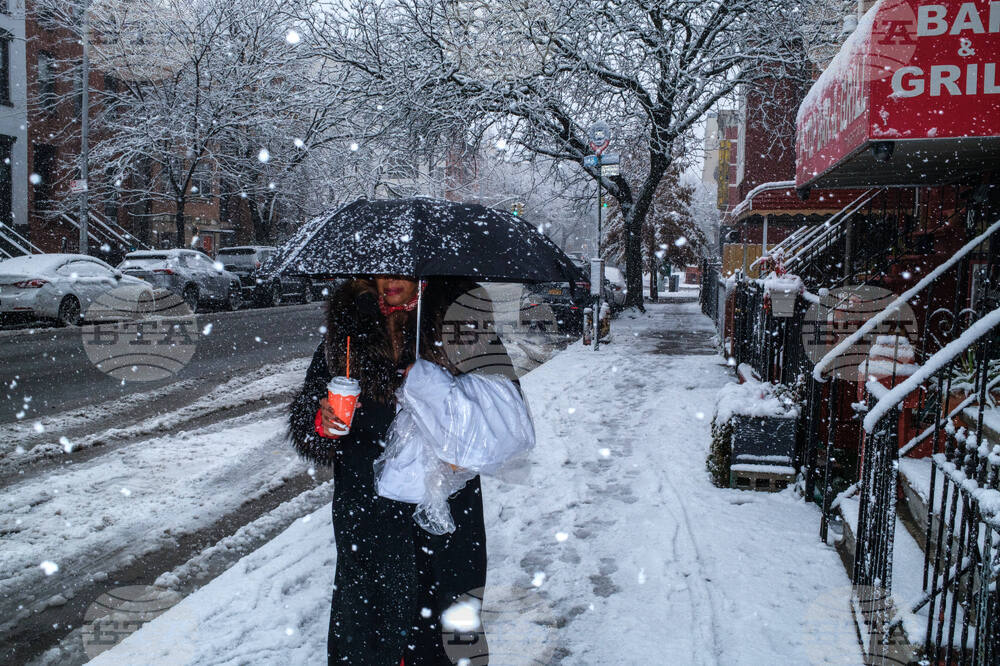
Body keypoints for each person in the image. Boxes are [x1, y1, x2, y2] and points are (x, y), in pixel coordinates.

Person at [288, 275, 511, 665]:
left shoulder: (461, 324)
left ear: (425, 273)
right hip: (368, 506)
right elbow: (309, 405)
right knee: (368, 620)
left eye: (400, 271)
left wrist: (464, 441)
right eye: (379, 270)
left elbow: (502, 411)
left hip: (443, 507)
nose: (387, 281)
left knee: (446, 617)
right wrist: (321, 420)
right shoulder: (350, 327)